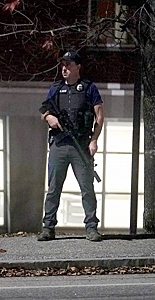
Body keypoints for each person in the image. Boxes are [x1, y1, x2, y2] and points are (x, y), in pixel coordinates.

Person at [38, 51, 104, 242]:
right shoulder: (56, 88)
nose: (64, 69)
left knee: (86, 188)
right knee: (53, 188)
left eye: (68, 65)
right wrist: (49, 117)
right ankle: (48, 227)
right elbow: (44, 110)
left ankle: (91, 227)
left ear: (77, 67)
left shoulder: (89, 88)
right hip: (59, 144)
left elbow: (99, 117)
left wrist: (93, 140)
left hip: (80, 145)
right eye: (62, 65)